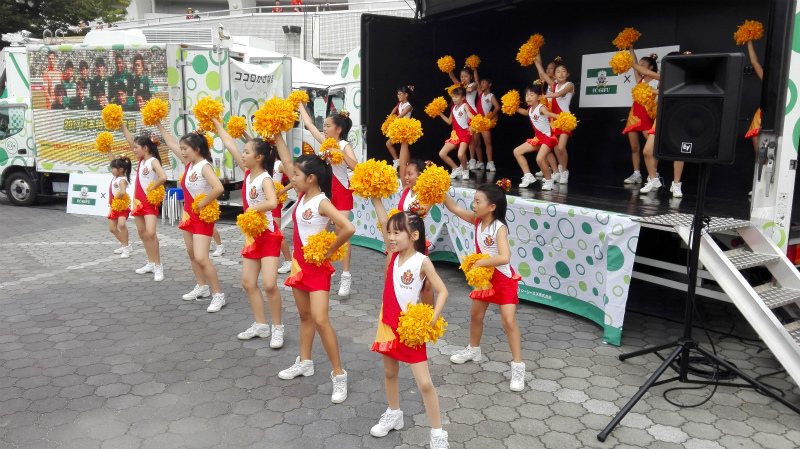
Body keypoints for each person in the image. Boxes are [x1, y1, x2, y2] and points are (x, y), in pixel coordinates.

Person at [272, 131, 354, 404]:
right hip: (298, 265)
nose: (292, 178)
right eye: (292, 174)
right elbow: (286, 160)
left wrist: (329, 251)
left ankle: (339, 374)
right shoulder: (302, 197)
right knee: (305, 317)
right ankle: (305, 362)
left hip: (317, 268)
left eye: (296, 175)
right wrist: (277, 133)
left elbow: (348, 227)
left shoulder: (321, 202)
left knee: (320, 320)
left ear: (311, 178)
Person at [367, 199, 451, 449]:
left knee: (424, 383)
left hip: (410, 329)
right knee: (390, 372)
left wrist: (431, 319)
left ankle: (438, 433)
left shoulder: (422, 261)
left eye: (397, 232)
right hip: (387, 323)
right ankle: (394, 413)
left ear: (413, 236)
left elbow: (443, 291)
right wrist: (375, 197)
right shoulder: (392, 254)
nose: (391, 237)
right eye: (389, 233)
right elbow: (383, 219)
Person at [442, 183, 526, 392]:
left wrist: (479, 262)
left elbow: (504, 257)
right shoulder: (477, 220)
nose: (473, 205)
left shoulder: (499, 228)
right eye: (474, 200)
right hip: (485, 279)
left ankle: (518, 367)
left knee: (508, 321)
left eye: (478, 202)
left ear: (492, 207)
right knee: (475, 315)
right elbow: (454, 207)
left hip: (503, 279)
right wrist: (437, 189)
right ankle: (474, 350)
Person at [213, 117, 285, 345]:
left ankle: (278, 327)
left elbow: (272, 202)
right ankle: (261, 325)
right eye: (243, 152)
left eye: (246, 152)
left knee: (270, 284)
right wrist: (215, 121)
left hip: (268, 236)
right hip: (252, 236)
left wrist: (251, 210)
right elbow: (229, 143)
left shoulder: (265, 178)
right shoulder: (247, 173)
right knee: (247, 282)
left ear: (259, 157)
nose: (242, 155)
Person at [159, 123, 227, 312]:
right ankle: (202, 287)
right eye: (181, 149)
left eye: (185, 149)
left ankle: (218, 295)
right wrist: (158, 124)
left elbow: (219, 188)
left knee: (202, 257)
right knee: (191, 254)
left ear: (196, 149)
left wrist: (202, 203)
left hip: (203, 216)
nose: (182, 152)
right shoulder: (190, 164)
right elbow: (171, 144)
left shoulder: (204, 166)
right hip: (188, 215)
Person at [297, 105, 358, 297]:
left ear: (338, 129)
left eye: (328, 125)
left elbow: (356, 167)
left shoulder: (344, 145)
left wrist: (339, 152)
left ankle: (345, 275)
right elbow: (308, 124)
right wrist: (300, 103)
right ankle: (316, 267)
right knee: (320, 231)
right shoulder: (324, 142)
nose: (324, 128)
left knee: (341, 230)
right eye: (324, 125)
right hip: (325, 193)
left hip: (342, 192)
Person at [120, 123, 166, 281]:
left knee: (151, 233)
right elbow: (130, 139)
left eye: (136, 148)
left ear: (145, 148)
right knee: (141, 233)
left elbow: (163, 177)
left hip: (149, 202)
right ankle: (151, 262)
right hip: (138, 200)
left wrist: (152, 188)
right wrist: (122, 125)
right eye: (133, 148)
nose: (133, 150)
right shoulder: (141, 160)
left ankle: (158, 266)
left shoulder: (153, 161)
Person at [637, 51, 685, 198]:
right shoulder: (663, 77)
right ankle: (653, 179)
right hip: (662, 116)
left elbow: (647, 73)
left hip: (678, 117)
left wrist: (652, 90)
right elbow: (645, 73)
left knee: (678, 152)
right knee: (647, 151)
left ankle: (676, 184)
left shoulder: (684, 77)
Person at [621, 48, 659, 185]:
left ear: (651, 67)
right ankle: (636, 174)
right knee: (634, 147)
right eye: (640, 64)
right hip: (634, 115)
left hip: (647, 116)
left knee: (653, 147)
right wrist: (631, 48)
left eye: (643, 64)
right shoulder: (640, 80)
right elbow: (634, 63)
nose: (640, 66)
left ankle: (653, 174)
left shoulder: (657, 81)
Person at [536, 53, 574, 184]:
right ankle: (560, 170)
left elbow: (559, 94)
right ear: (555, 75)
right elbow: (542, 72)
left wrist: (544, 97)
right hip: (554, 120)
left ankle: (564, 171)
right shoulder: (553, 85)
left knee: (561, 147)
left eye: (563, 71)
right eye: (558, 72)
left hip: (565, 119)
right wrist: (534, 59)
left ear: (567, 74)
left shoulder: (569, 85)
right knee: (556, 147)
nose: (561, 74)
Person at [514, 85, 559, 190]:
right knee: (517, 151)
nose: (528, 97)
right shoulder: (530, 109)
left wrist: (558, 116)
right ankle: (528, 176)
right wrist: (514, 108)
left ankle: (549, 181)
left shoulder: (541, 107)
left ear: (539, 97)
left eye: (531, 95)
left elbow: (547, 113)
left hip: (547, 138)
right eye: (527, 96)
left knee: (540, 159)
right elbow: (526, 113)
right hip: (538, 139)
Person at [447, 67, 482, 170]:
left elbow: (470, 89)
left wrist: (460, 90)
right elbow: (452, 77)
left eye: (466, 76)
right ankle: (467, 161)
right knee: (466, 139)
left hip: (471, 112)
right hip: (463, 113)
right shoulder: (460, 87)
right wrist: (448, 67)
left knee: (474, 139)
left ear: (470, 76)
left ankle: (476, 160)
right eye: (462, 77)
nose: (463, 78)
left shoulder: (473, 84)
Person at [437, 86, 475, 181]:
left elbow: (469, 113)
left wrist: (474, 118)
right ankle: (456, 169)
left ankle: (465, 171)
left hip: (465, 134)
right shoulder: (453, 108)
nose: (454, 98)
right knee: (442, 153)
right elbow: (449, 122)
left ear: (463, 98)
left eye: (456, 97)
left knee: (460, 154)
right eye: (453, 96)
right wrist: (440, 114)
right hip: (455, 135)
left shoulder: (465, 106)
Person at [106, 154, 132, 259]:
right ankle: (126, 245)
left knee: (121, 224)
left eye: (113, 168)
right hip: (114, 206)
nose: (111, 170)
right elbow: (112, 159)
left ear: (120, 169)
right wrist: (108, 149)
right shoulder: (115, 177)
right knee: (112, 229)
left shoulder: (122, 180)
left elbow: (123, 192)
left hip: (122, 206)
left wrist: (116, 198)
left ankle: (126, 248)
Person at [385, 86, 414, 175]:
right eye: (398, 94)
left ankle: (407, 164)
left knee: (404, 147)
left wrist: (391, 124)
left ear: (406, 95)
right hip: (399, 128)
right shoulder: (399, 104)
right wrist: (390, 116)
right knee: (388, 144)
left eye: (400, 94)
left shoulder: (408, 106)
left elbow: (400, 116)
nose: (398, 96)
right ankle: (397, 160)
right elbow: (395, 108)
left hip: (405, 128)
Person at [272, 157, 294, 274]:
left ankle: (288, 261)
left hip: (275, 202)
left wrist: (282, 190)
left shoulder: (279, 165)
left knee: (277, 233)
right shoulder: (264, 163)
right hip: (264, 201)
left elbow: (294, 179)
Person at [475, 76, 501, 172]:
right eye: (481, 83)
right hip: (477, 122)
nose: (481, 84)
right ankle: (480, 162)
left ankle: (490, 163)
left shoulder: (491, 96)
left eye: (484, 82)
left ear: (489, 84)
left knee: (488, 142)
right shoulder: (480, 93)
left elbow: (497, 107)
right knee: (476, 142)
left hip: (485, 122)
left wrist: (489, 117)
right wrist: (474, 69)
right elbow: (476, 80)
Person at [745, 39, 764, 155]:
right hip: (763, 114)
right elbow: (754, 62)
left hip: (783, 116)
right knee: (760, 157)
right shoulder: (770, 81)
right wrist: (749, 42)